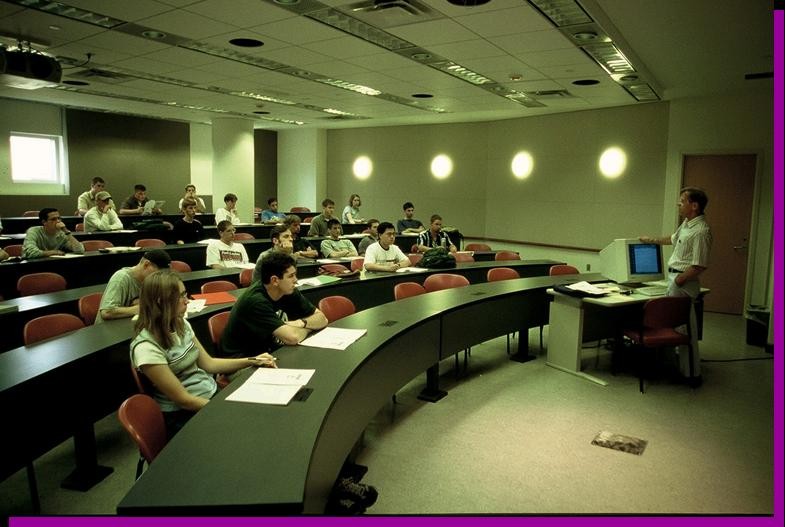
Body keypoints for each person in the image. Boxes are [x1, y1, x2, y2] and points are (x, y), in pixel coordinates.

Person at [219, 252, 376, 513]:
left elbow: (321, 319)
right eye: (291, 276)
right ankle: (326, 484)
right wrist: (298, 330)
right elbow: (292, 338)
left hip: (272, 354)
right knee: (301, 408)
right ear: (273, 280)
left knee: (322, 391)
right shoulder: (254, 301)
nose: (296, 280)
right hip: (243, 365)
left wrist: (297, 325)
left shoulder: (286, 290)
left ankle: (331, 478)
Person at [130, 270, 276, 439]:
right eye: (181, 296)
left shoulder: (180, 324)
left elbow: (209, 364)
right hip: (183, 414)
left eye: (186, 294)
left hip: (209, 394)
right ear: (160, 302)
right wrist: (226, 406)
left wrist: (252, 360)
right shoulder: (146, 348)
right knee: (248, 431)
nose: (187, 300)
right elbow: (184, 400)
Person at [640, 186, 712, 385]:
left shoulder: (701, 231)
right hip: (676, 280)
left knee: (684, 329)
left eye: (682, 201)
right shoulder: (687, 224)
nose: (678, 204)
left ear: (694, 205)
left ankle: (691, 374)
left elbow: (699, 264)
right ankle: (676, 367)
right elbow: (672, 239)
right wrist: (651, 240)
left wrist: (679, 280)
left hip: (683, 281)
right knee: (677, 326)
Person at [97, 249, 171, 323]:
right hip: (108, 330)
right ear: (146, 265)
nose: (159, 278)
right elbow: (106, 312)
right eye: (157, 274)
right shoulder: (121, 278)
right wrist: (141, 308)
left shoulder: (149, 280)